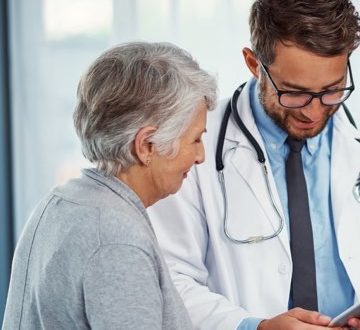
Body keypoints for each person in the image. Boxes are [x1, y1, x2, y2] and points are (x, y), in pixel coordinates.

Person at [148, 0, 360, 330]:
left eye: (332, 90)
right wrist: (257, 327)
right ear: (254, 64)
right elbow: (172, 281)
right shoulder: (193, 148)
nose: (313, 112)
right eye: (294, 92)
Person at [2, 42, 217, 330]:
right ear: (145, 145)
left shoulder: (63, 200)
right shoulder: (115, 238)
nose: (200, 156)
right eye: (195, 140)